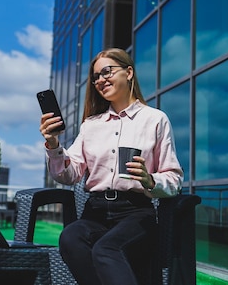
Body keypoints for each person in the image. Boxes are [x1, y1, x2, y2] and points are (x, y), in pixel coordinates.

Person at [39, 48, 183, 285]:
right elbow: (69, 174)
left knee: (106, 249)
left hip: (136, 214)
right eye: (96, 77)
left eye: (107, 72)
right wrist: (53, 144)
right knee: (70, 237)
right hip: (95, 212)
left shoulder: (155, 119)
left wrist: (150, 180)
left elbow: (174, 180)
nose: (100, 80)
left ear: (128, 72)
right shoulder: (90, 126)